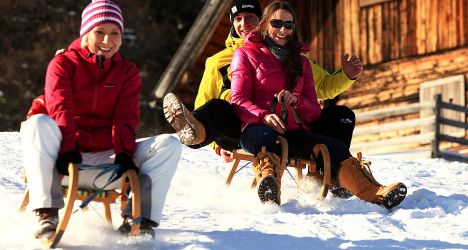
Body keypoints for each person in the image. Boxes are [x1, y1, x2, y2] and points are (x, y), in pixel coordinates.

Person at [21, 0, 181, 239]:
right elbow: (60, 108)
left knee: (169, 144)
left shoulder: (126, 72)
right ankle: (46, 213)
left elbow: (125, 118)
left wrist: (125, 155)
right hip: (61, 161)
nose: (108, 41)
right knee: (38, 123)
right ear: (86, 32)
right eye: (100, 32)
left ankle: (138, 221)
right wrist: (67, 149)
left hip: (106, 160)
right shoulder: (62, 64)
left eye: (115, 33)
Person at [230, 0, 407, 208]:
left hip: (292, 131)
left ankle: (374, 192)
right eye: (277, 24)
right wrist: (264, 116)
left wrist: (297, 101)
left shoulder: (302, 62)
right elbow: (238, 100)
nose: (283, 30)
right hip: (257, 129)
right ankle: (269, 185)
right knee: (265, 138)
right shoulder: (244, 54)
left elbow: (314, 112)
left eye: (289, 25)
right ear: (266, 23)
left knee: (335, 147)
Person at [163, 0, 362, 159]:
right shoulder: (218, 61)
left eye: (250, 17)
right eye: (238, 19)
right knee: (220, 104)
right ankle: (195, 131)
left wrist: (347, 75)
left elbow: (324, 88)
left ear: (262, 21)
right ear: (232, 24)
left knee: (342, 114)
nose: (244, 24)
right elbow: (204, 101)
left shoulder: (293, 57)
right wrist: (217, 144)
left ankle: (337, 171)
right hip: (238, 125)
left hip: (285, 123)